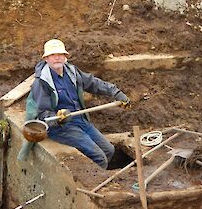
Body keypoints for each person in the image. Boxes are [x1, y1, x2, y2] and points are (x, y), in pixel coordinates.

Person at [25, 39, 130, 169]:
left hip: (80, 120)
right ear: (46, 58)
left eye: (60, 54)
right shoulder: (42, 82)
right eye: (53, 55)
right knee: (99, 158)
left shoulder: (72, 72)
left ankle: (100, 173)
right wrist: (59, 118)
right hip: (61, 128)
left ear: (65, 57)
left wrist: (116, 92)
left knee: (109, 151)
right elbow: (43, 115)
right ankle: (95, 183)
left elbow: (93, 83)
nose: (57, 57)